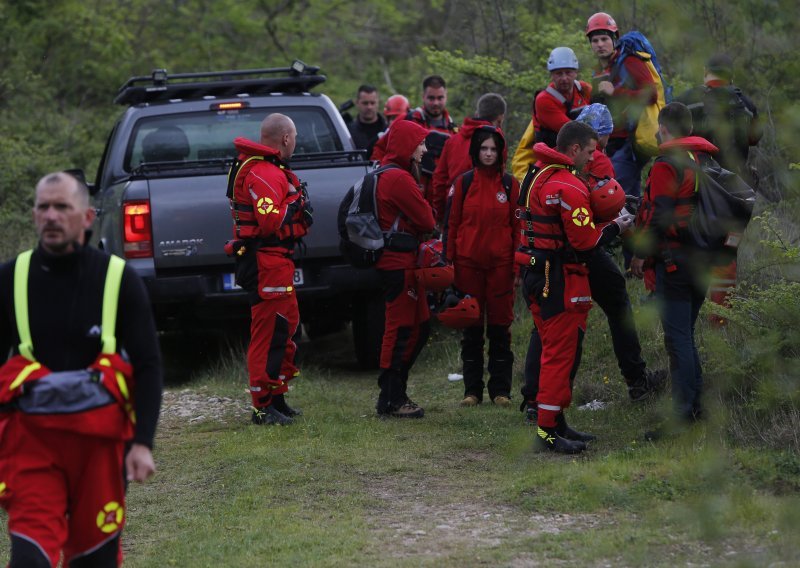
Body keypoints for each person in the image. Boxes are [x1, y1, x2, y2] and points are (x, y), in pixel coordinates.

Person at [0, 171, 163, 566]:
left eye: (62, 207)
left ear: (87, 217)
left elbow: (148, 363)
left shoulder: (117, 278)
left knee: (95, 558)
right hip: (33, 445)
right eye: (43, 207)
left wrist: (142, 442)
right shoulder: (9, 278)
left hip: (100, 448)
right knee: (29, 558)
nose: (51, 216)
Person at [519, 105, 666, 423]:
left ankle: (537, 399)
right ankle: (634, 382)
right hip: (573, 254)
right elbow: (586, 229)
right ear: (579, 145)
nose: (596, 152)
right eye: (596, 143)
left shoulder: (539, 168)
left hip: (543, 260)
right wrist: (619, 226)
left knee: (550, 325)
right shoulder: (584, 166)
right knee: (586, 317)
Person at [517, 121, 634, 453]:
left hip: (535, 272)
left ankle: (556, 423)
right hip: (559, 280)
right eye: (591, 150)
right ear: (574, 149)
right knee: (559, 355)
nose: (594, 157)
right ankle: (547, 434)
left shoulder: (534, 174)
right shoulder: (568, 186)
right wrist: (615, 226)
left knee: (553, 351)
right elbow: (585, 244)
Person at [630, 102, 718, 434]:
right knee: (686, 337)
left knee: (678, 338)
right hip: (702, 261)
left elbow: (660, 215)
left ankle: (682, 413)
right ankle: (694, 408)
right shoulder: (701, 160)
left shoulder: (668, 165)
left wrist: (640, 254)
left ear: (664, 128)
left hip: (675, 264)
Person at [229, 113, 313, 426]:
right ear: (286, 139)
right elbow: (269, 222)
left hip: (279, 262)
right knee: (268, 334)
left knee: (287, 330)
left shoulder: (270, 169)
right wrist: (294, 204)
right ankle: (262, 407)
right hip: (265, 264)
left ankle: (277, 398)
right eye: (295, 137)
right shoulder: (263, 172)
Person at [678, 54, 763, 317]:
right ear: (731, 76)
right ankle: (721, 317)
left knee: (690, 247)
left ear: (705, 71)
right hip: (734, 192)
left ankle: (687, 311)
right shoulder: (746, 104)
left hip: (695, 186)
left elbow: (669, 136)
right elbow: (754, 138)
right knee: (726, 251)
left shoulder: (687, 99)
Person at [443, 126, 520, 407]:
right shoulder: (463, 183)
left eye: (493, 149)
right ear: (475, 151)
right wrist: (448, 262)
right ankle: (471, 392)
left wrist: (517, 268)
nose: (488, 154)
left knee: (500, 330)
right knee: (472, 331)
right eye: (483, 149)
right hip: (467, 268)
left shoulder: (511, 185)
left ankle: (501, 391)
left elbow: (518, 228)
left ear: (500, 152)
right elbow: (451, 226)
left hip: (500, 267)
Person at [374, 120, 436, 418]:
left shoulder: (392, 174)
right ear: (407, 147)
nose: (424, 149)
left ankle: (396, 392)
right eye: (420, 143)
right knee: (399, 329)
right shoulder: (398, 179)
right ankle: (390, 398)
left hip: (405, 262)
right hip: (397, 263)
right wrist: (422, 218)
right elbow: (427, 220)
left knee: (420, 326)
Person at [586, 12, 658, 201]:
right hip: (612, 141)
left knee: (613, 192)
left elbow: (651, 94)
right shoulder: (599, 70)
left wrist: (616, 93)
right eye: (595, 40)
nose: (600, 44)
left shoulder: (630, 61)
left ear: (614, 39)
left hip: (631, 140)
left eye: (604, 39)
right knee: (628, 196)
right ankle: (633, 226)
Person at [511, 47, 592, 182]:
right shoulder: (544, 100)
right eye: (558, 73)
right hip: (551, 164)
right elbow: (571, 132)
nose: (564, 78)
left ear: (576, 72)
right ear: (552, 75)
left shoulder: (584, 89)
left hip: (579, 156)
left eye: (568, 72)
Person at [432, 93, 507, 224]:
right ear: (500, 119)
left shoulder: (453, 140)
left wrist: (440, 217)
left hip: (452, 209)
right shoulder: (497, 142)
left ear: (477, 113)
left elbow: (439, 180)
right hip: (483, 214)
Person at [406, 75, 458, 211]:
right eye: (431, 98)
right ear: (423, 97)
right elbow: (381, 149)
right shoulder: (409, 121)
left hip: (441, 197)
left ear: (446, 97)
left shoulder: (453, 129)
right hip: (413, 193)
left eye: (440, 98)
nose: (436, 103)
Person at [347, 84, 387, 159]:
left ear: (378, 103)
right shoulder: (348, 132)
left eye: (372, 103)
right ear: (357, 103)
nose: (369, 107)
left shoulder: (387, 130)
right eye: (365, 103)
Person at [370, 94, 411, 162]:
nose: (396, 121)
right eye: (393, 118)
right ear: (387, 120)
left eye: (399, 117)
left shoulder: (415, 139)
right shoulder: (381, 140)